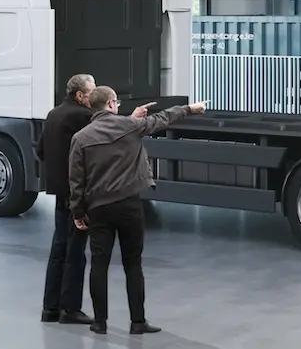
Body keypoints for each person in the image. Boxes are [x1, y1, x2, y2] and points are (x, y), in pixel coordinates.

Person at [69, 87, 208, 336]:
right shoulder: (131, 126)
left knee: (98, 264)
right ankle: (137, 321)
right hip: (129, 205)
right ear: (111, 104)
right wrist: (190, 108)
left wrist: (78, 212)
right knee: (133, 264)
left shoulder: (81, 137)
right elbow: (163, 118)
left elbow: (76, 181)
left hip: (99, 208)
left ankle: (99, 322)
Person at [37, 73, 98, 325]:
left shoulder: (53, 114)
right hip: (76, 193)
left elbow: (41, 150)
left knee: (58, 248)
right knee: (75, 251)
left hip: (59, 191)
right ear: (80, 95)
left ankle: (50, 308)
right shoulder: (82, 117)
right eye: (92, 92)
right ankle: (70, 309)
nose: (95, 96)